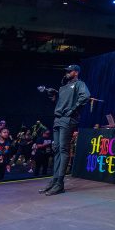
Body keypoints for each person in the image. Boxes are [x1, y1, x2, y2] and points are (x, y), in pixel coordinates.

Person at [39, 64, 89, 196]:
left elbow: (85, 96)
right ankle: (54, 181)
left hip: (68, 119)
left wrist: (73, 109)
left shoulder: (79, 84)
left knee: (63, 150)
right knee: (56, 150)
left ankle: (60, 183)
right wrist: (52, 96)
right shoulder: (63, 87)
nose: (67, 73)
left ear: (76, 72)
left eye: (70, 71)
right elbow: (59, 103)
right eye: (66, 71)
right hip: (58, 119)